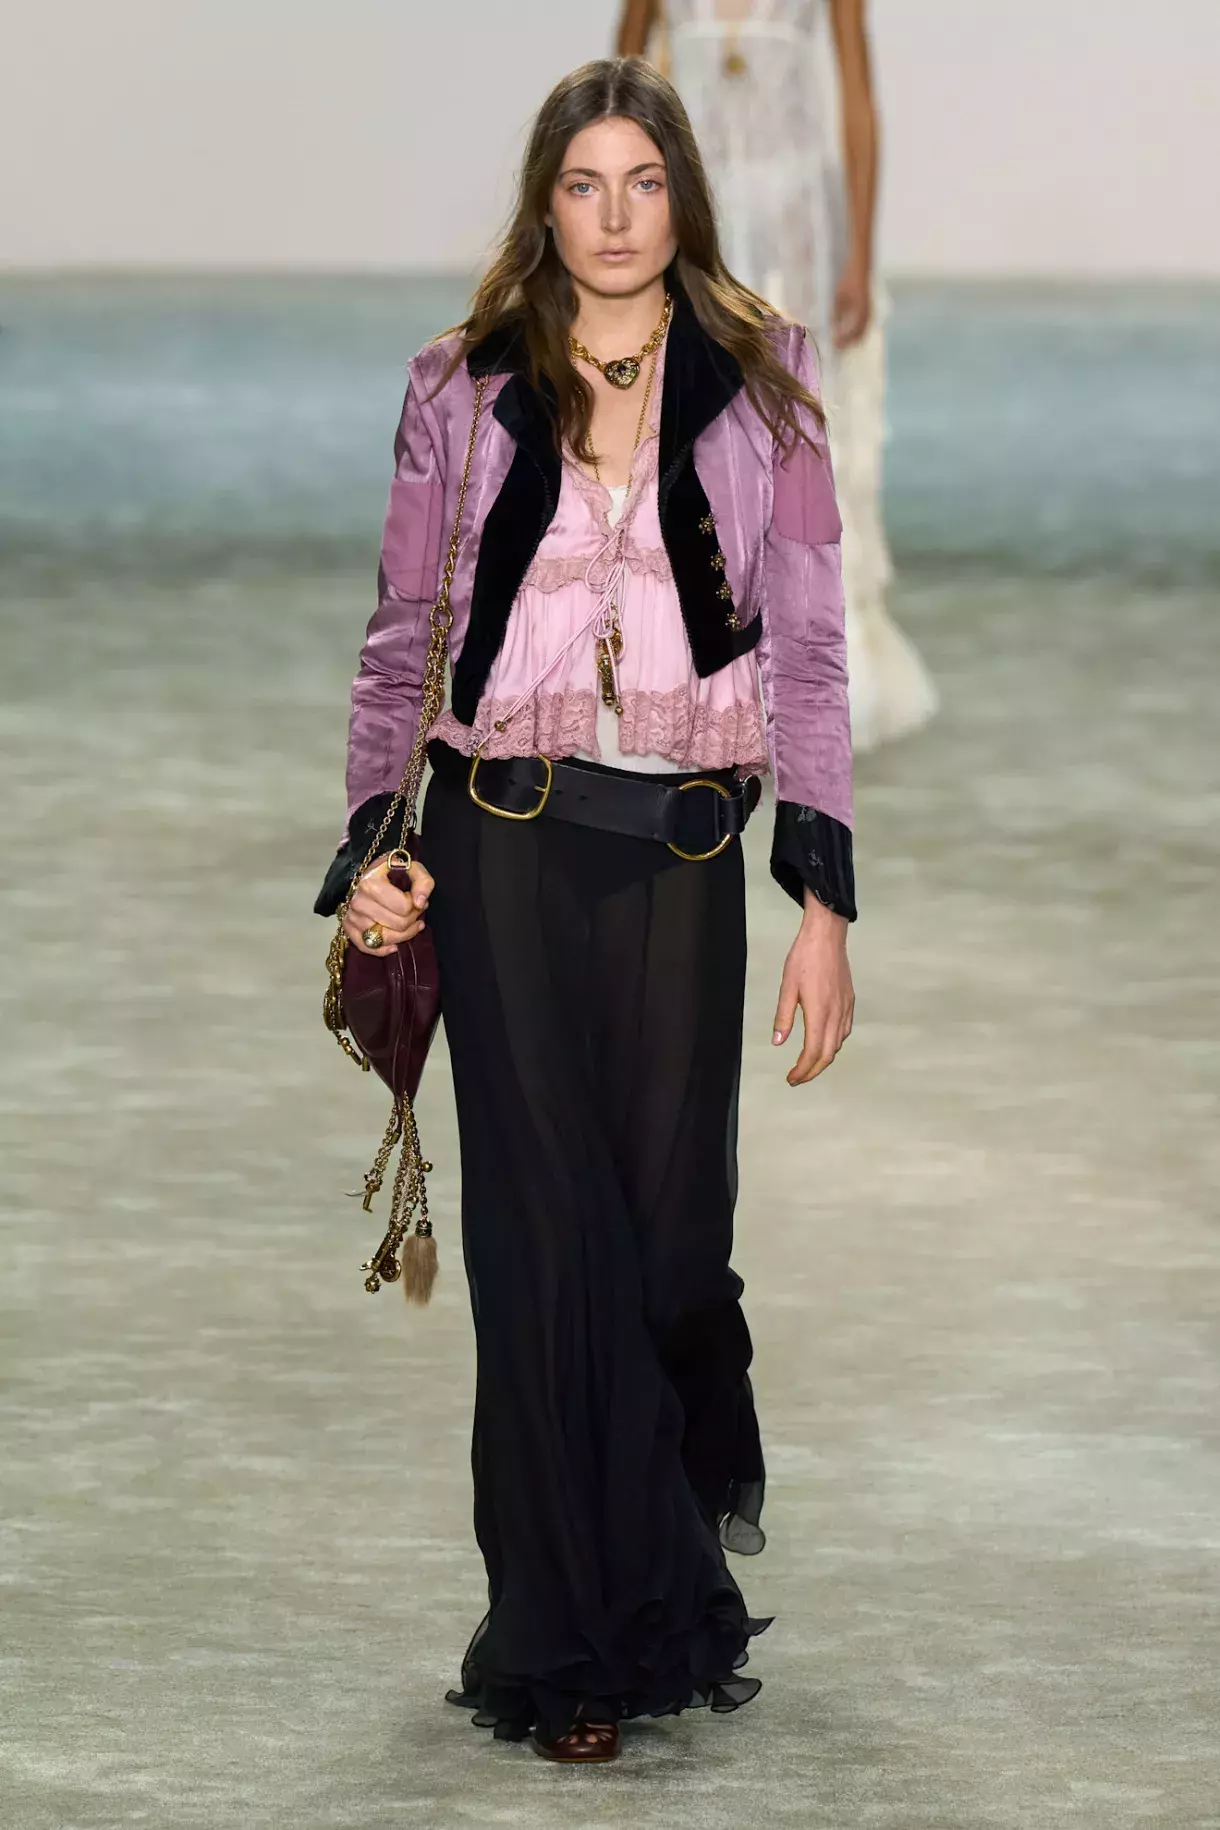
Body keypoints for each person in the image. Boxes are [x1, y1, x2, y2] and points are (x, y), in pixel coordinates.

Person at [315, 57, 854, 1764]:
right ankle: (567, 1644)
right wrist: (372, 842)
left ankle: (661, 1564)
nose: (614, 218)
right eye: (581, 185)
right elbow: (402, 634)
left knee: (673, 1245)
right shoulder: (461, 385)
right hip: (508, 846)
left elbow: (812, 651)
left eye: (643, 182)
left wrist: (824, 898)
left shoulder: (767, 389)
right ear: (542, 205)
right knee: (545, 1249)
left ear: (683, 195)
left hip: (686, 855)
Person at [617, 0, 939, 752]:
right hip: (694, 226)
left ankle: (812, 674)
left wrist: (860, 253)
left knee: (801, 437)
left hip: (800, 229)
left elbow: (857, 96)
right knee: (686, 437)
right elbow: (619, 89)